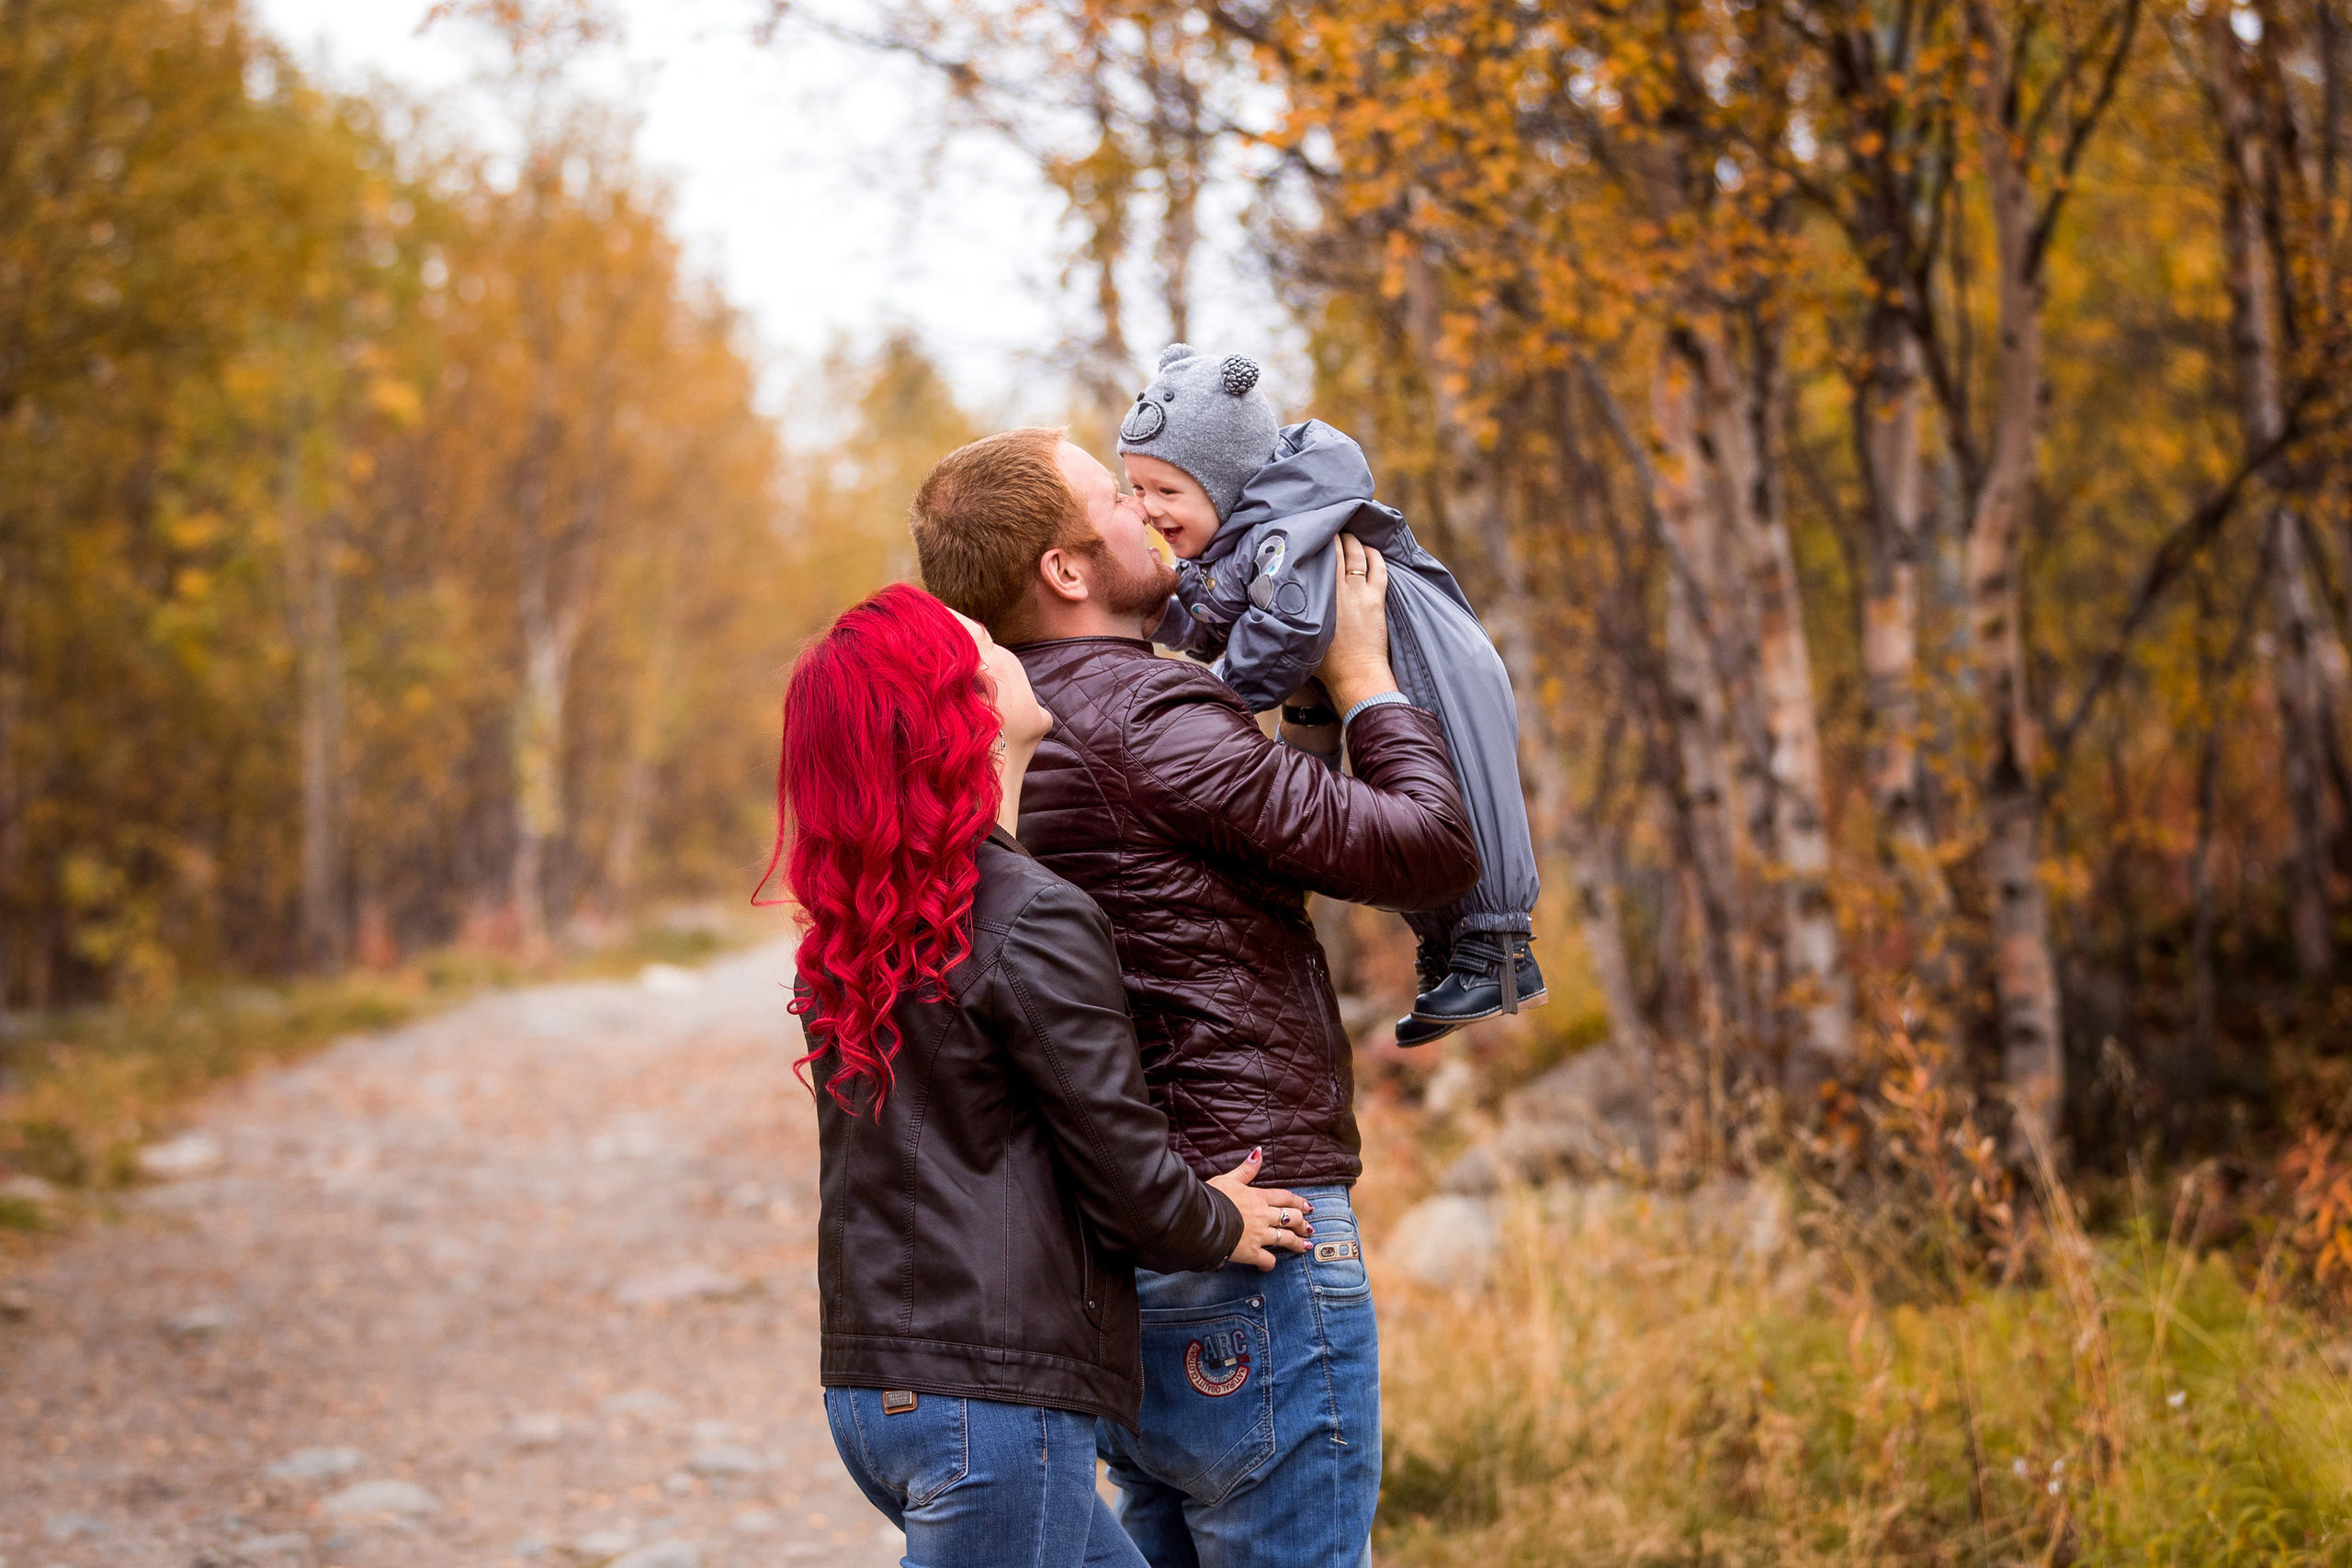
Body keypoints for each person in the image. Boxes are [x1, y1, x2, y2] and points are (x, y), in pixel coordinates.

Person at [908, 430, 1481, 1568]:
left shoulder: (1008, 736)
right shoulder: (1148, 716)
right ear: (1066, 570)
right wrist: (1361, 678)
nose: (1147, 512)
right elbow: (1427, 849)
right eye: (1113, 500)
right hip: (1250, 1229)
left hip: (1126, 1236)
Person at [759, 582, 1317, 1568]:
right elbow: (1129, 1181)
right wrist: (1219, 1219)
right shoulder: (1030, 914)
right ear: (966, 703)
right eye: (977, 638)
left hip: (878, 1394)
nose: (1002, 638)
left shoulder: (863, 927)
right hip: (989, 1409)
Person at [1120, 343, 1545, 1045]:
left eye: (1166, 491)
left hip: (1430, 661)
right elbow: (1213, 620)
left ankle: (1500, 954)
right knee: (1395, 798)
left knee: (1466, 796)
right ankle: (1447, 951)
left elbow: (1286, 630)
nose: (1147, 509)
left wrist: (1217, 699)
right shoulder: (1240, 537)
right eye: (1137, 488)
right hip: (1385, 667)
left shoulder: (1290, 530)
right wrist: (1155, 613)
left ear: (1224, 483)